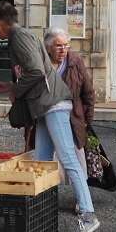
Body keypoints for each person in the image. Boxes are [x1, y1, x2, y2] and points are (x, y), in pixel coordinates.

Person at [0, 1, 100, 232]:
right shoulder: (24, 34)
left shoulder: (18, 37)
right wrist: (11, 86)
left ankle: (88, 214)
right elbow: (37, 71)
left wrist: (16, 89)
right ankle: (41, 216)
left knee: (69, 160)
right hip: (47, 106)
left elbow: (37, 72)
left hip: (53, 105)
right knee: (41, 161)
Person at [44, 27, 95, 185]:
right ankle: (47, 197)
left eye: (66, 45)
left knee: (76, 159)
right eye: (59, 46)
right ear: (48, 47)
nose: (63, 50)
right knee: (47, 160)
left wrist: (87, 120)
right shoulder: (42, 62)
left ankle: (82, 201)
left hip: (73, 118)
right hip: (46, 117)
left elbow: (88, 92)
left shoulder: (75, 61)